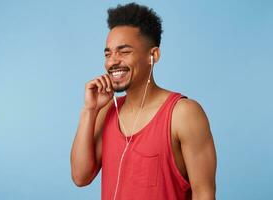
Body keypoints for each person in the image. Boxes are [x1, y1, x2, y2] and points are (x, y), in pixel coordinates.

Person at [70, 2, 217, 200]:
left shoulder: (183, 113)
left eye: (124, 51)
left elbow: (204, 194)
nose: (113, 61)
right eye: (108, 53)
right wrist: (89, 110)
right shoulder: (106, 111)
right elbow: (80, 177)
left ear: (153, 55)